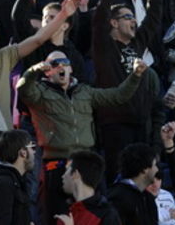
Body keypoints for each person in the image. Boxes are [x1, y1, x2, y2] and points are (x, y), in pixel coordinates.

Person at [17, 53, 147, 223]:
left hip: (86, 163)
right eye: (54, 64)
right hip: (57, 166)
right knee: (56, 217)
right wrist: (35, 69)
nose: (61, 66)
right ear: (47, 71)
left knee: (98, 216)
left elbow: (118, 96)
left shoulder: (84, 91)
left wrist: (136, 75)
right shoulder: (39, 92)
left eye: (65, 62)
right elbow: (23, 89)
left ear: (71, 68)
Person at [92, 0, 165, 184]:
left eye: (133, 17)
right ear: (113, 23)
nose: (133, 20)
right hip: (115, 126)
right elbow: (101, 11)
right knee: (119, 182)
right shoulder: (104, 46)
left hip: (140, 124)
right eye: (127, 17)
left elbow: (154, 16)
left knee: (142, 183)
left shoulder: (136, 43)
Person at [0, 130, 34, 225]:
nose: (34, 152)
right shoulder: (3, 184)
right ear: (23, 152)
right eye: (32, 147)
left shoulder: (15, 180)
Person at [55, 150, 120, 225]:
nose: (63, 176)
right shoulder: (66, 209)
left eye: (67, 170)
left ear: (75, 174)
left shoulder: (107, 215)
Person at [106, 143, 159, 225]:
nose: (157, 169)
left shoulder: (148, 198)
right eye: (154, 165)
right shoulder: (117, 199)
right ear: (145, 169)